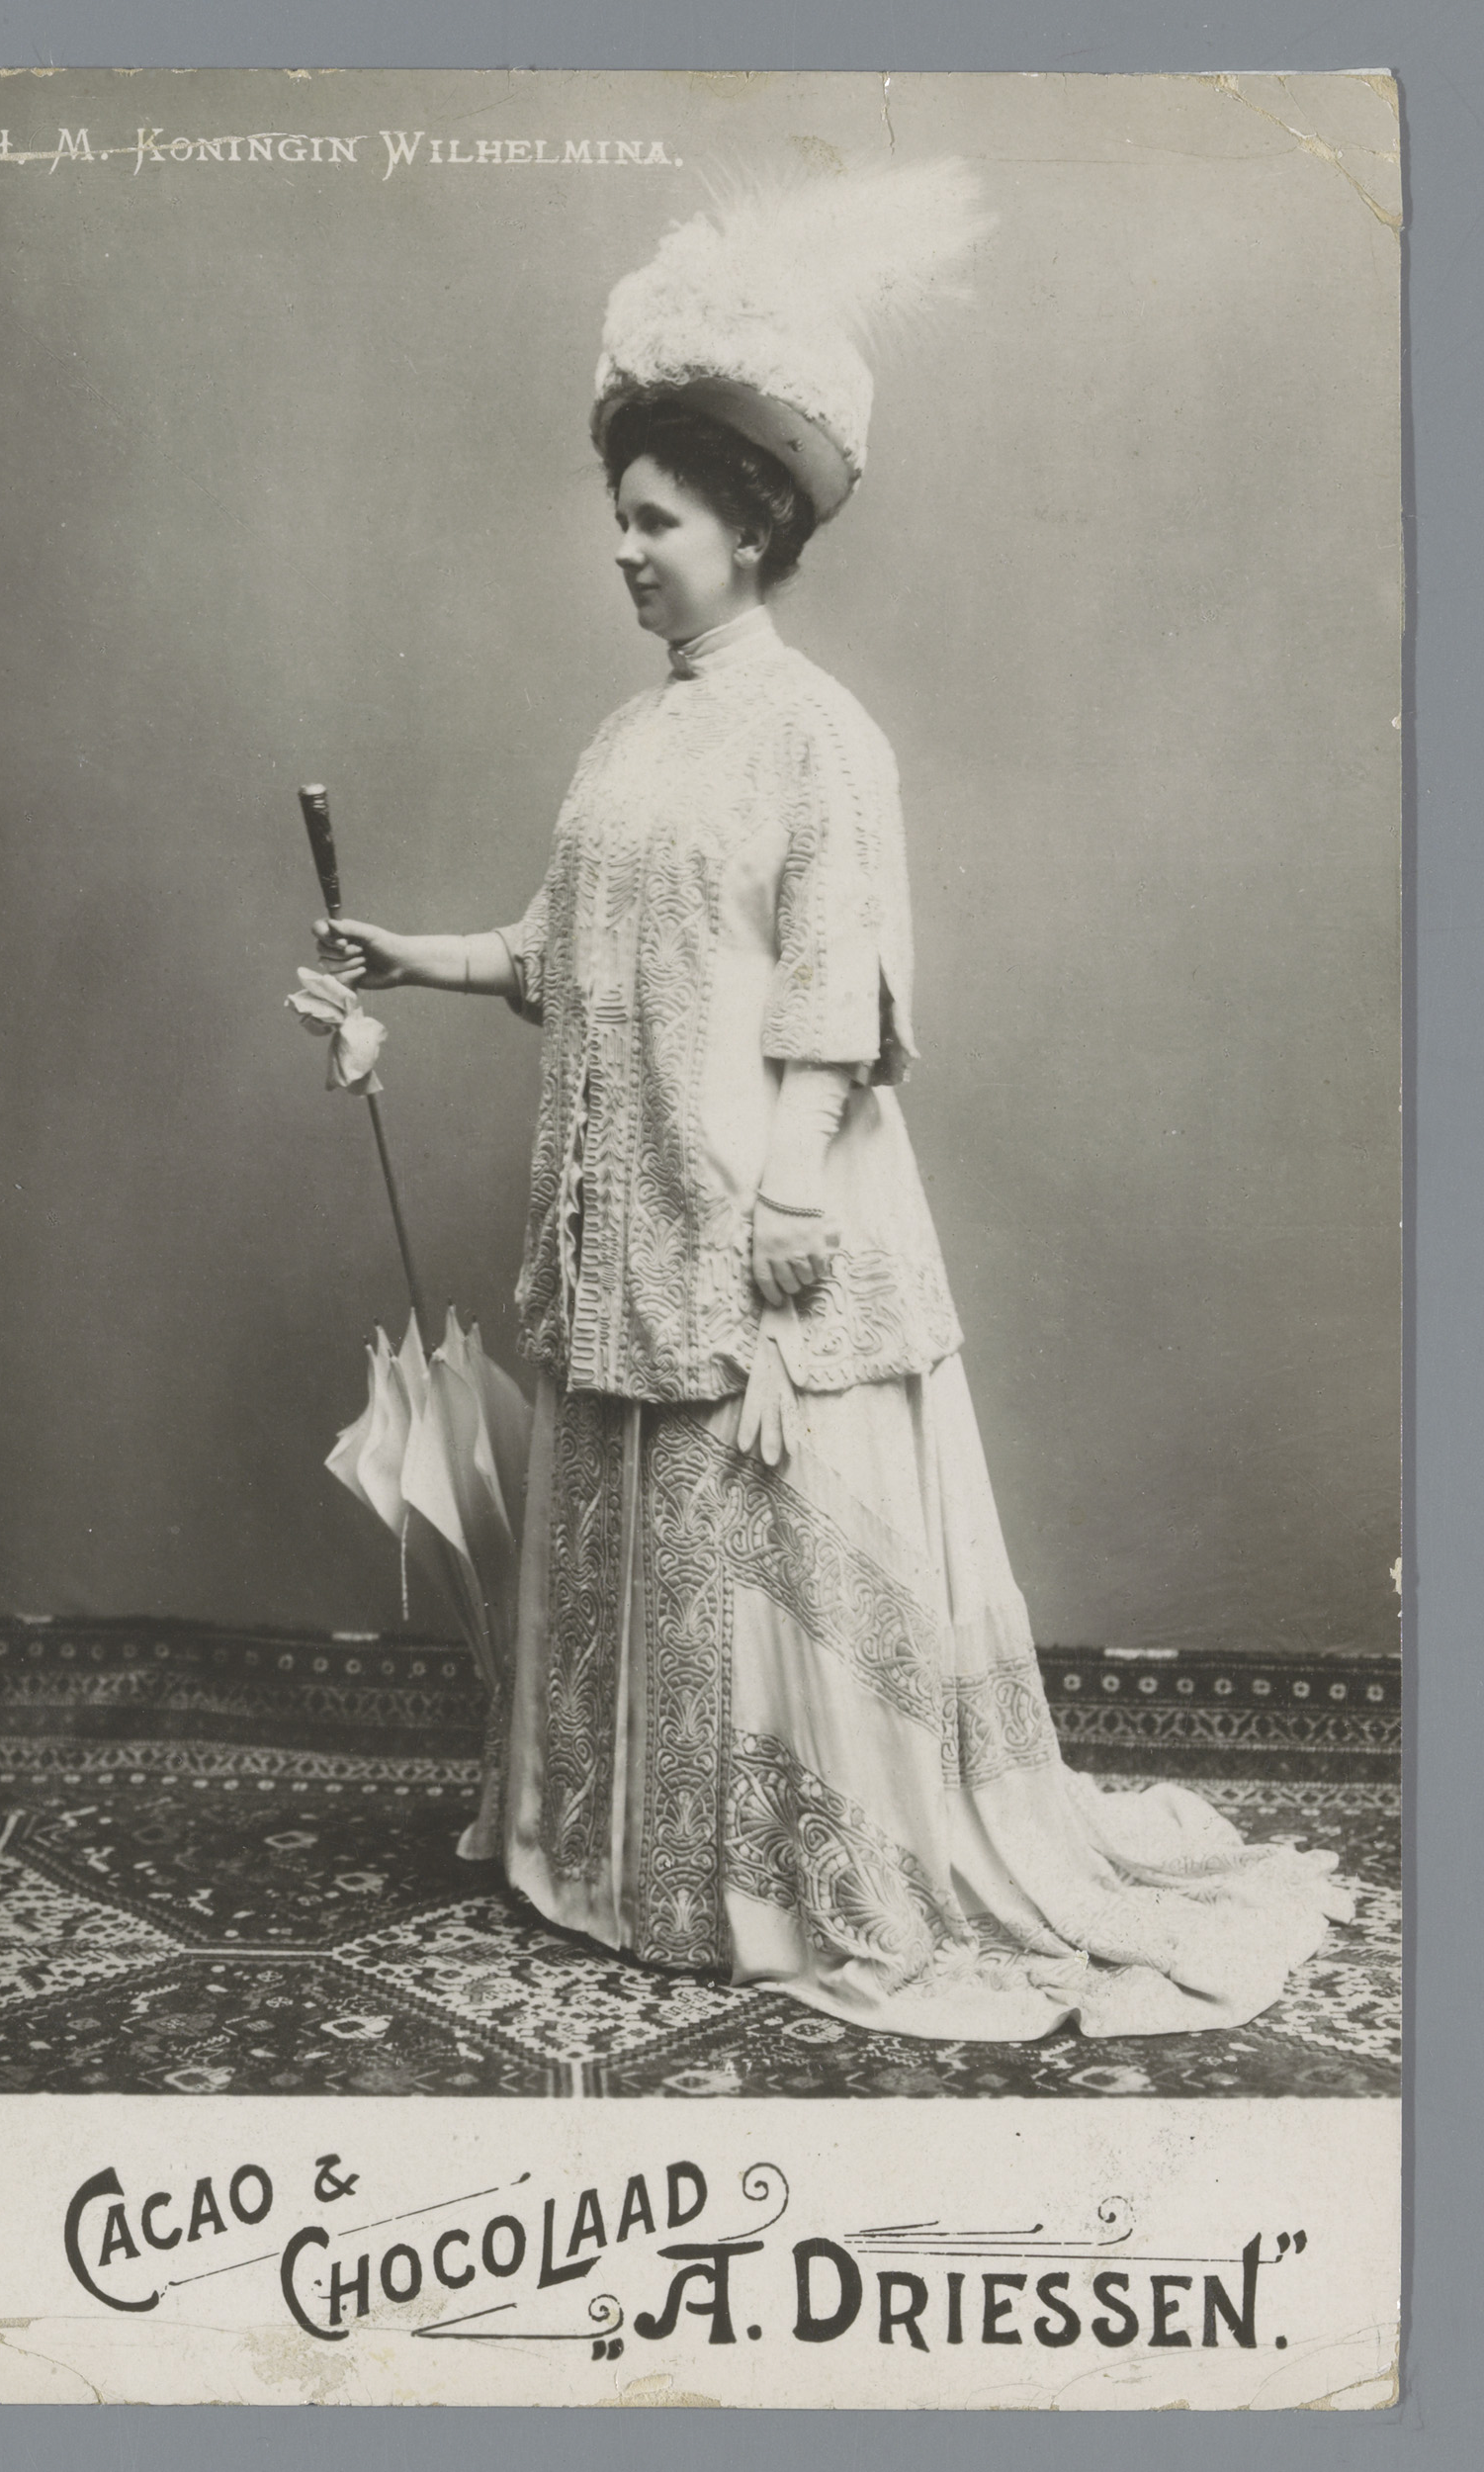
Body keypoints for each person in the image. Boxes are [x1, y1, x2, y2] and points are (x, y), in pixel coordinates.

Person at [313, 169, 1350, 2040]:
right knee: (637, 1528)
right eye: (620, 519)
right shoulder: (628, 739)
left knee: (762, 1544)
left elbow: (832, 995)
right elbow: (567, 949)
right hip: (630, 1218)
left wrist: (785, 1207)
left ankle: (795, 1887)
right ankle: (625, 1868)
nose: (624, 550)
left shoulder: (818, 737)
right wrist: (417, 958)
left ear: (751, 526)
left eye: (655, 520)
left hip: (762, 1225)